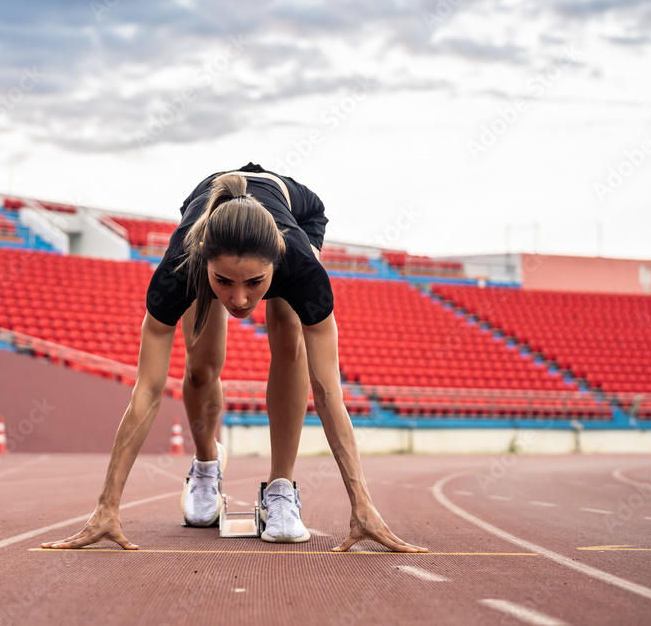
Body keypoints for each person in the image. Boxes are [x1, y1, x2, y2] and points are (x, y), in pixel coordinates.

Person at [42, 163, 426, 553]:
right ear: (204, 263)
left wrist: (362, 505)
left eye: (255, 283)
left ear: (275, 266)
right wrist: (107, 506)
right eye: (223, 282)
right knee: (200, 368)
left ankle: (280, 489)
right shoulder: (180, 267)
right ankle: (207, 464)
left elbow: (328, 392)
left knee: (287, 332)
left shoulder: (300, 267)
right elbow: (148, 390)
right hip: (205, 210)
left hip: (298, 215)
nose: (240, 301)